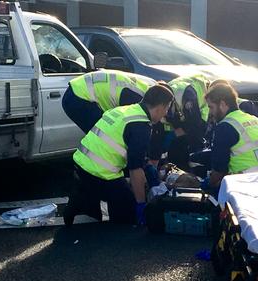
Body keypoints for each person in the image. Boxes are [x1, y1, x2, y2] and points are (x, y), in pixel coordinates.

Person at [63, 84, 174, 226]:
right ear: (160, 107)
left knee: (100, 196)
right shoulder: (141, 126)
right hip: (100, 173)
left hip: (81, 162)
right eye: (166, 109)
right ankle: (89, 200)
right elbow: (135, 169)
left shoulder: (125, 110)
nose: (166, 114)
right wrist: (140, 204)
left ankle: (82, 197)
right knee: (128, 212)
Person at [205, 83, 258, 191]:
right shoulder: (254, 119)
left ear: (222, 104)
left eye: (211, 107)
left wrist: (206, 184)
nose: (210, 113)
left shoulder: (224, 127)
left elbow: (219, 171)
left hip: (248, 186)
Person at [62, 70, 156, 133]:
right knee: (104, 137)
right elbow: (132, 129)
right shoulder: (135, 99)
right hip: (80, 98)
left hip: (77, 89)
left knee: (103, 134)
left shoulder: (144, 88)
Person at [163, 74, 211, 170]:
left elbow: (195, 125)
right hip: (185, 113)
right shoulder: (166, 99)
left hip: (199, 115)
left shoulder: (187, 95)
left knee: (194, 148)